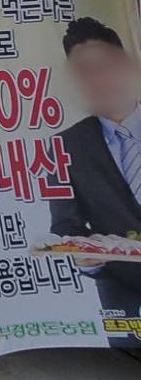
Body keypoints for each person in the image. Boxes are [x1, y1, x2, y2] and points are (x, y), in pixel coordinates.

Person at [52, 17, 141, 315]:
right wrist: (86, 257)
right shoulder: (66, 145)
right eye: (85, 72)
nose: (100, 79)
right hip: (124, 293)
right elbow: (66, 225)